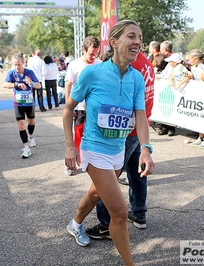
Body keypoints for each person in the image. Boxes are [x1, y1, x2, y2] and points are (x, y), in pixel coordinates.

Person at [63, 20, 155, 265]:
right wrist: (70, 145)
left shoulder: (136, 77)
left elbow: (140, 116)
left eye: (140, 37)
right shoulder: (92, 73)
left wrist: (146, 149)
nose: (137, 42)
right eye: (131, 36)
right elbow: (68, 108)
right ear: (114, 42)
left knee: (95, 193)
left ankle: (74, 224)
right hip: (94, 148)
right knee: (120, 213)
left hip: (118, 149)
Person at [84, 51, 155, 242]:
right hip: (137, 129)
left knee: (108, 180)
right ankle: (139, 214)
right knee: (136, 173)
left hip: (123, 131)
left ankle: (107, 224)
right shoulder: (146, 62)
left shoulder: (130, 67)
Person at [64, 35, 101, 176]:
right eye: (91, 54)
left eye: (96, 54)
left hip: (95, 109)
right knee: (77, 137)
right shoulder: (74, 65)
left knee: (95, 136)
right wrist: (69, 106)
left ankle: (92, 163)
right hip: (79, 108)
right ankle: (71, 164)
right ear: (84, 50)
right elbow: (68, 85)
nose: (93, 57)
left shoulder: (99, 64)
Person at [3, 54, 41, 158]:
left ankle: (31, 136)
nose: (17, 67)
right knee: (21, 124)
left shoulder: (30, 72)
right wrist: (16, 84)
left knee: (31, 121)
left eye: (19, 64)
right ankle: (26, 148)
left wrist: (32, 83)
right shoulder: (11, 73)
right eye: (14, 65)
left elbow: (39, 85)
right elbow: (4, 84)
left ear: (23, 63)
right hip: (18, 103)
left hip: (29, 102)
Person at [158, 40, 177, 136]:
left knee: (169, 106)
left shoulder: (173, 58)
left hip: (171, 86)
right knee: (163, 105)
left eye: (161, 48)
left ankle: (171, 128)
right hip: (164, 85)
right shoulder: (165, 57)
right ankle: (164, 126)